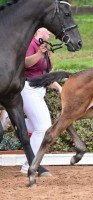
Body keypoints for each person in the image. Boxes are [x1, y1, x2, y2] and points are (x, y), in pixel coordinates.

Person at [20, 28, 62, 174]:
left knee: (36, 127)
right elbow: (25, 64)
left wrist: (60, 88)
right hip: (28, 89)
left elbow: (44, 75)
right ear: (39, 31)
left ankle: (10, 119)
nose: (49, 34)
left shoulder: (42, 47)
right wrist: (39, 53)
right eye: (47, 31)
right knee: (43, 128)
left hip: (38, 91)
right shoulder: (30, 44)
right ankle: (28, 164)